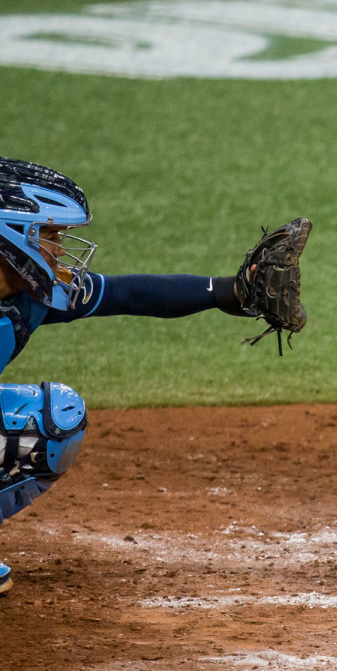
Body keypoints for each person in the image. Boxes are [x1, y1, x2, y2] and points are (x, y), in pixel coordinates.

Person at [0, 157, 308, 596]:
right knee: (25, 425)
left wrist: (230, 291)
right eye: (50, 236)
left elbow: (130, 293)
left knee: (52, 424)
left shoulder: (34, 295)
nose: (60, 248)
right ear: (13, 236)